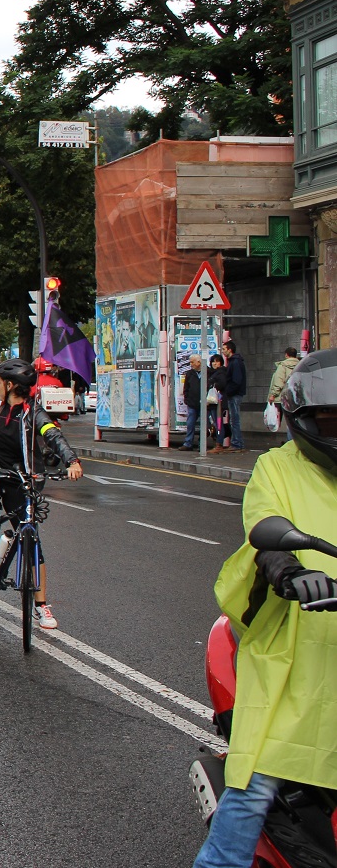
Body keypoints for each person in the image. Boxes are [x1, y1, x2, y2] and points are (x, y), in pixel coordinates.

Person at [191, 349, 337, 868]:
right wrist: (288, 571)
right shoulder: (276, 467)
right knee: (258, 781)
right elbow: (264, 525)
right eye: (330, 418)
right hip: (294, 647)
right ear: (304, 420)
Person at [0, 359, 83, 631]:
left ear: (10, 385)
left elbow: (52, 435)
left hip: (20, 475)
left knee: (30, 534)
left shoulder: (33, 412)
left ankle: (41, 605)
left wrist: (71, 460)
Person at [221, 339, 248, 452]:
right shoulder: (234, 361)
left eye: (224, 349)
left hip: (235, 394)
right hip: (235, 393)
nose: (223, 351)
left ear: (230, 350)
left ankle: (237, 443)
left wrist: (228, 391)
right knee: (234, 419)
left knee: (234, 420)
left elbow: (236, 380)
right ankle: (237, 442)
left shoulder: (235, 362)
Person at [266, 346, 299, 437]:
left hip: (285, 397)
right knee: (295, 420)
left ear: (286, 355)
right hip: (297, 397)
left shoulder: (283, 366)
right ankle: (295, 440)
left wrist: (273, 395)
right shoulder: (300, 365)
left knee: (288, 420)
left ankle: (290, 440)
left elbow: (279, 382)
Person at [178, 354, 204, 451]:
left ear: (199, 362)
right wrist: (187, 399)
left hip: (205, 403)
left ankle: (202, 444)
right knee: (190, 423)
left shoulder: (207, 372)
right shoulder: (189, 373)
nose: (191, 364)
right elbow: (186, 388)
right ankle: (188, 443)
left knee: (204, 424)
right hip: (192, 403)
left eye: (192, 362)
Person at [207, 353, 229, 452]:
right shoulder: (213, 373)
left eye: (217, 361)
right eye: (213, 361)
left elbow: (222, 384)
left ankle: (219, 444)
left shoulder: (221, 373)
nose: (214, 364)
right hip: (212, 402)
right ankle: (218, 442)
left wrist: (213, 384)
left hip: (218, 402)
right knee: (215, 423)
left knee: (218, 423)